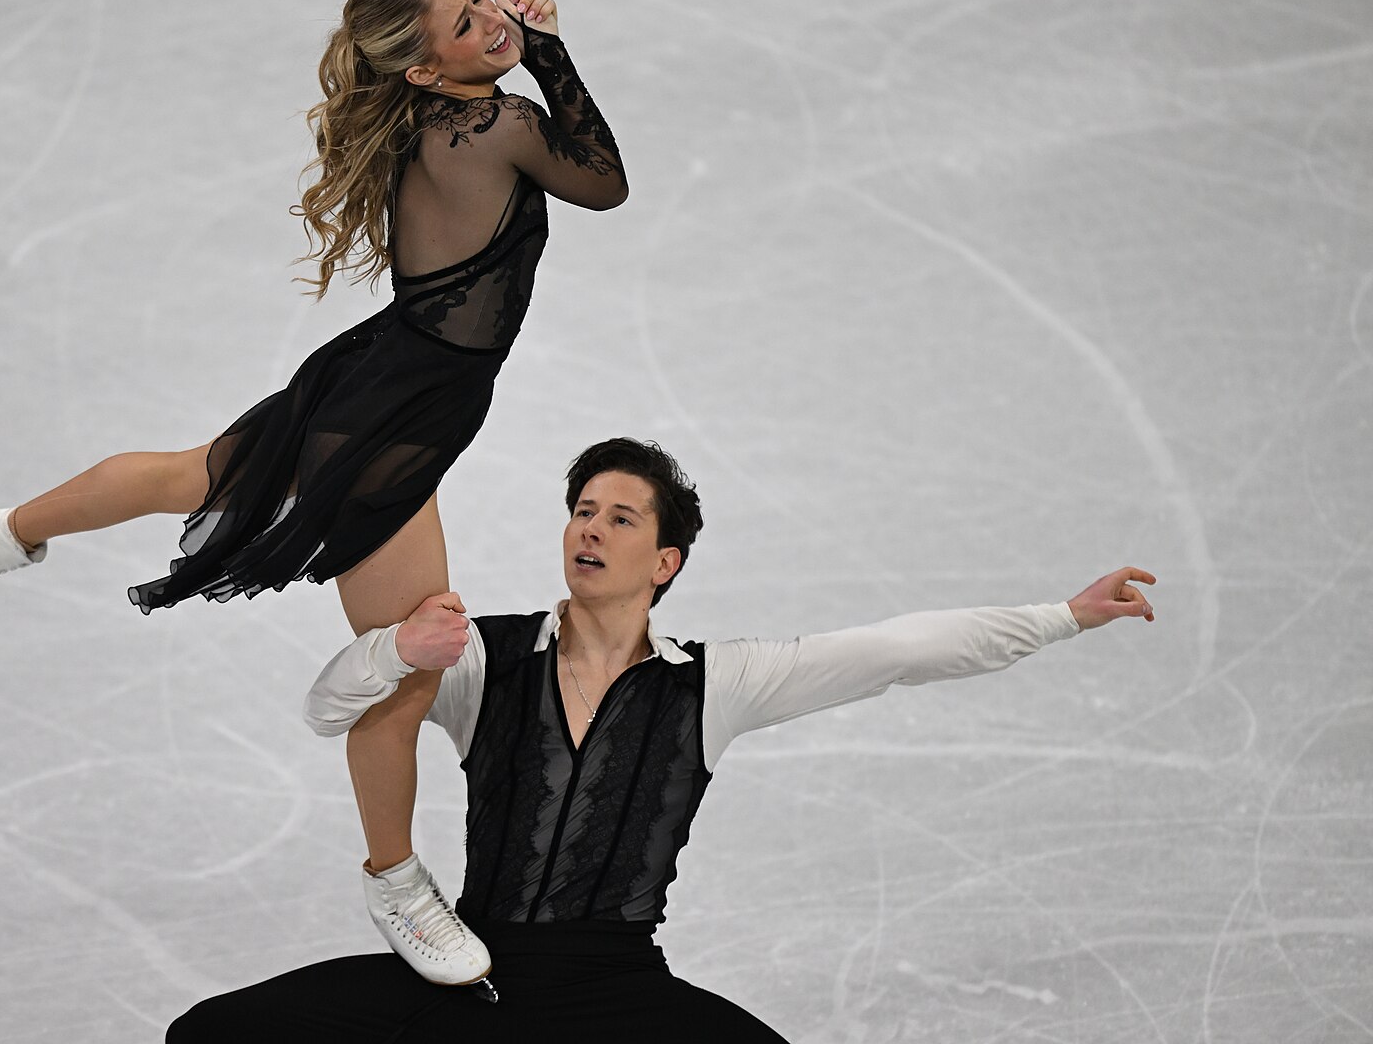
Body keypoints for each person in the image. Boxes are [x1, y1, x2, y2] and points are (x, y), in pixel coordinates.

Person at [0, 0, 628, 985]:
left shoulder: (459, 118)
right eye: (469, 21)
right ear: (421, 70)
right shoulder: (489, 130)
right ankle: (394, 879)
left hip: (378, 374)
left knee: (199, 473)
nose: (492, 20)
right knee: (405, 665)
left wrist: (525, 47)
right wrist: (547, 47)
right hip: (394, 421)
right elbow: (603, 181)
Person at [166, 437, 1158, 1041]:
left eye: (621, 516)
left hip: (615, 989)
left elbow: (898, 648)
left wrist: (1064, 614)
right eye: (583, 510)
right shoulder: (484, 658)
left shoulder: (714, 682)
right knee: (215, 1032)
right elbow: (329, 709)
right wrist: (396, 650)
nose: (590, 528)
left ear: (665, 558)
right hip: (474, 970)